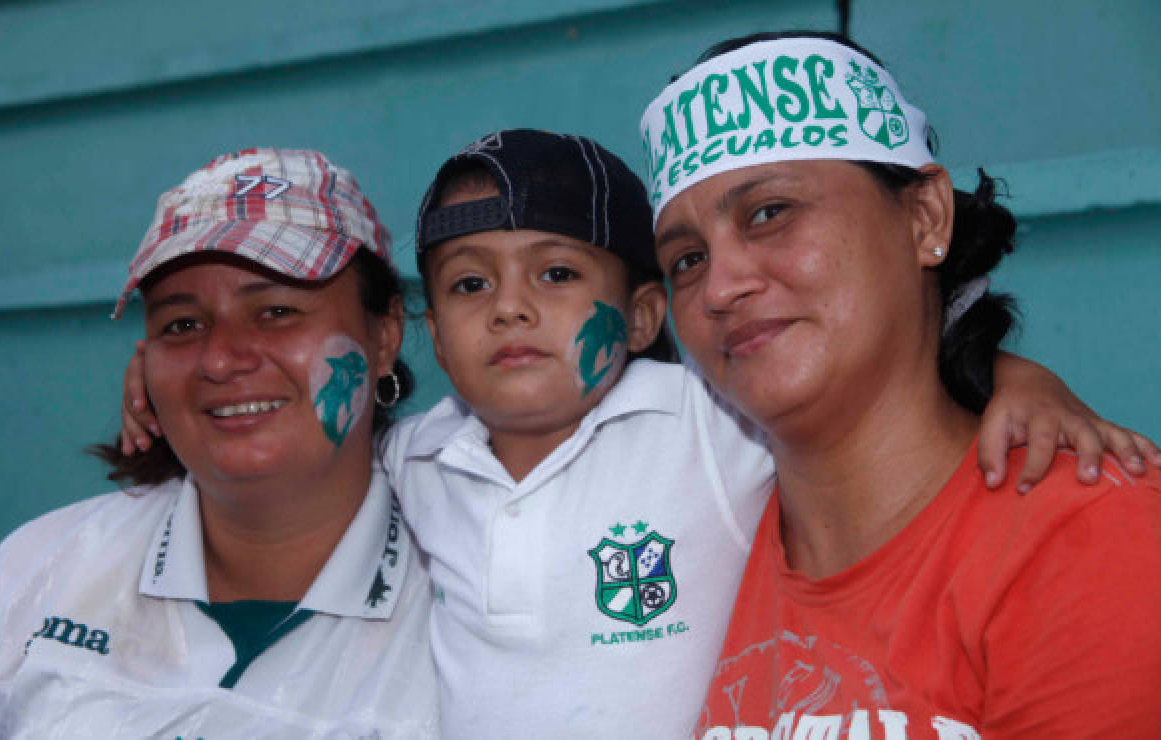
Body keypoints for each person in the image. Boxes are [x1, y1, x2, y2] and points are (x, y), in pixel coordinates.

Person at [120, 131, 1153, 739]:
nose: (512, 310)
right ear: (430, 332)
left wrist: (1017, 375)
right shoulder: (414, 457)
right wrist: (174, 376)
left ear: (652, 317)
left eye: (559, 275)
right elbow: (293, 422)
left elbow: (869, 388)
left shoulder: (707, 419)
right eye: (471, 285)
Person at [639, 32, 1161, 737]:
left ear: (924, 219)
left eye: (770, 212)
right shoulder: (695, 539)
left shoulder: (1087, 539)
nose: (721, 288)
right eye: (687, 259)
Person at [0, 148, 438, 738]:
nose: (218, 358)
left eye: (277, 310)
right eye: (181, 326)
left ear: (385, 334)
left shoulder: (474, 586)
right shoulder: (39, 573)